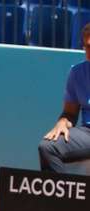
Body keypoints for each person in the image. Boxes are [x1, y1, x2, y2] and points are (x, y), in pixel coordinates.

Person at [39, 23, 90, 172]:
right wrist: (62, 122)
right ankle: (65, 194)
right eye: (88, 47)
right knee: (47, 147)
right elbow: (70, 113)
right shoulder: (77, 73)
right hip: (87, 133)